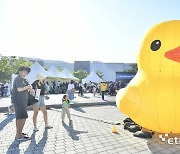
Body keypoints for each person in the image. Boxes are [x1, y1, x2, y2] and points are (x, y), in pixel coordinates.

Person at [12, 66, 32, 141]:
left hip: (23, 101)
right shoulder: (18, 79)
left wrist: (31, 89)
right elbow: (19, 89)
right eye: (25, 71)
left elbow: (29, 88)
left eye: (27, 71)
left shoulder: (25, 79)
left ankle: (19, 132)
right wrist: (27, 87)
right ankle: (19, 135)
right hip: (18, 101)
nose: (26, 73)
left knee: (23, 117)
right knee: (20, 118)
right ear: (20, 71)